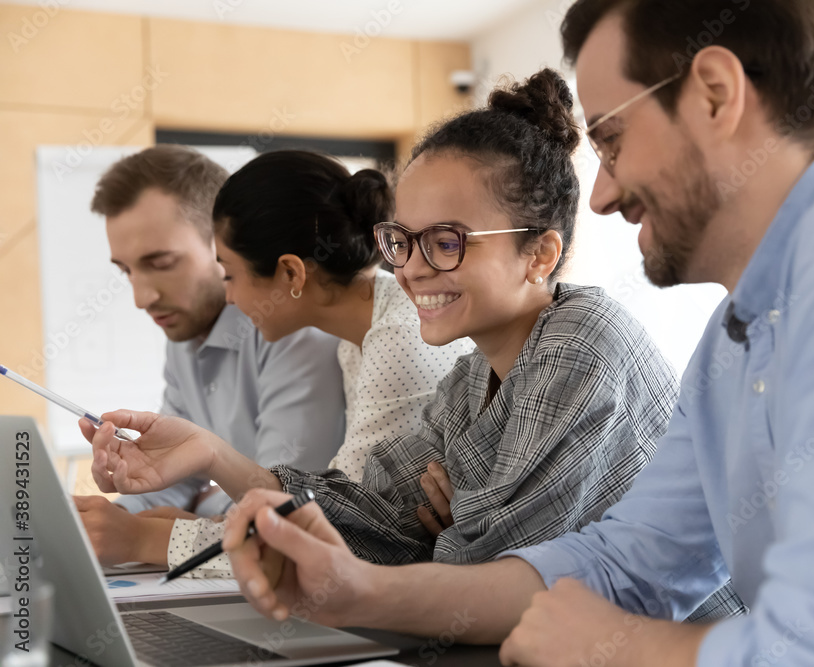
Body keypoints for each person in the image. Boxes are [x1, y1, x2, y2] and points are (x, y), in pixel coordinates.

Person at [212, 1, 814, 665]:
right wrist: (359, 588)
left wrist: (626, 645)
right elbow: (626, 561)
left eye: (613, 140)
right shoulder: (734, 340)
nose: (601, 194)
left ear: (717, 94)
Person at [87, 70, 742, 619]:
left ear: (539, 253)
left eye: (447, 240)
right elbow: (373, 515)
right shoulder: (465, 383)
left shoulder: (582, 342)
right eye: (402, 240)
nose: (412, 268)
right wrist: (206, 450)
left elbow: (502, 574)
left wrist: (447, 531)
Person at [152, 149, 474, 576]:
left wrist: (152, 540)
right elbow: (339, 504)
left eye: (230, 274)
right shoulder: (356, 340)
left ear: (290, 274)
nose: (228, 297)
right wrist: (201, 525)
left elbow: (336, 528)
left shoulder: (398, 338)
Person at [75, 145, 347, 567]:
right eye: (126, 270)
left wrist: (190, 511)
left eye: (161, 262)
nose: (141, 297)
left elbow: (285, 506)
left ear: (223, 244)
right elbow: (174, 480)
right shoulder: (183, 334)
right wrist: (101, 521)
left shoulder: (295, 325)